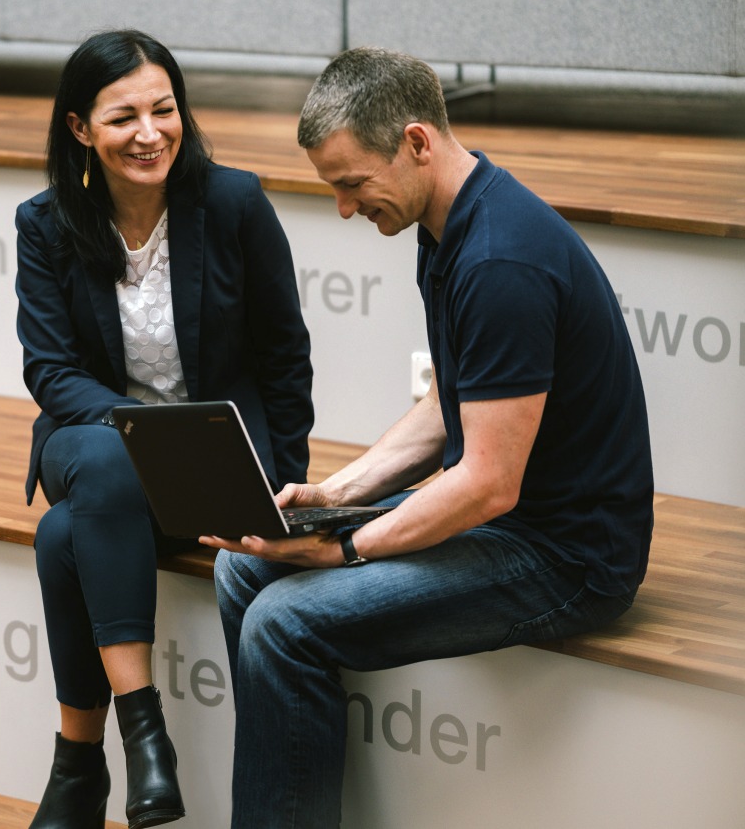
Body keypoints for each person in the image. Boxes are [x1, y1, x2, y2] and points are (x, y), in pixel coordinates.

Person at [199, 47, 654, 828]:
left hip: (566, 557)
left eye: (350, 184)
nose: (344, 209)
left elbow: (487, 483)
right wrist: (332, 496)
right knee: (244, 572)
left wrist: (344, 548)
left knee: (283, 621)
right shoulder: (444, 225)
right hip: (508, 518)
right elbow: (453, 402)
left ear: (416, 142)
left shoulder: (499, 258)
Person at [15, 29, 315, 829]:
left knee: (60, 538)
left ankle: (79, 769)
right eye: (123, 118)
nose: (150, 134)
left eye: (164, 109)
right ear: (80, 128)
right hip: (95, 439)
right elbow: (50, 371)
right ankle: (147, 733)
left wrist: (280, 480)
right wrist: (145, 427)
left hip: (216, 459)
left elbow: (284, 355)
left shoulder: (234, 204)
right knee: (108, 460)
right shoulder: (44, 225)